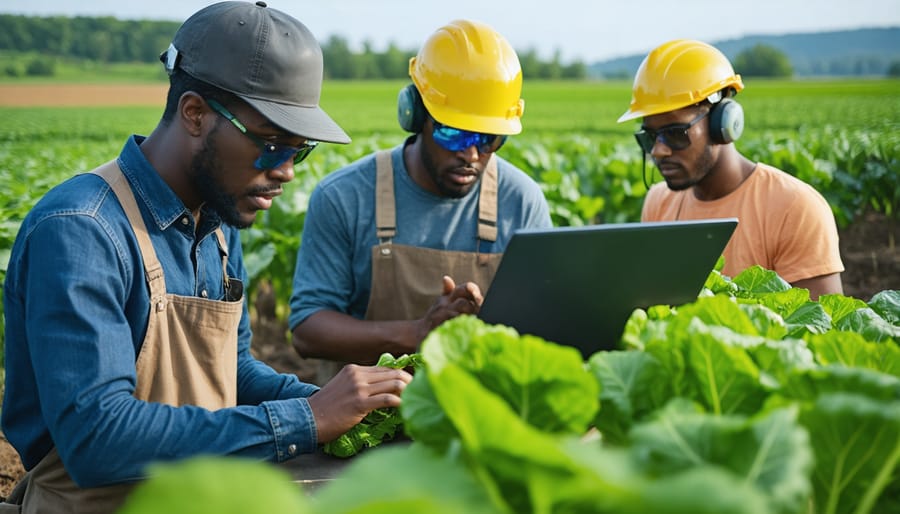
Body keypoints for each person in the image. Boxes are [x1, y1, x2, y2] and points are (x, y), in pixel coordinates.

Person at [0, 3, 411, 513]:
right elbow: (97, 439)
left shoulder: (215, 222)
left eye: (298, 151)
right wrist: (306, 418)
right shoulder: (83, 231)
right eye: (272, 146)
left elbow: (230, 374)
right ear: (195, 113)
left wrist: (351, 407)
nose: (285, 171)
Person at [289, 19, 552, 382]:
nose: (472, 154)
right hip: (367, 425)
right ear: (414, 114)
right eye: (454, 133)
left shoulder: (522, 201)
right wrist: (416, 334)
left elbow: (543, 323)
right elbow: (307, 330)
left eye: (490, 138)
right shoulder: (344, 197)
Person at [617, 39, 844, 300]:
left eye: (675, 133)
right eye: (650, 137)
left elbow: (821, 327)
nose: (658, 150)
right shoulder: (658, 203)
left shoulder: (796, 208)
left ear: (723, 123)